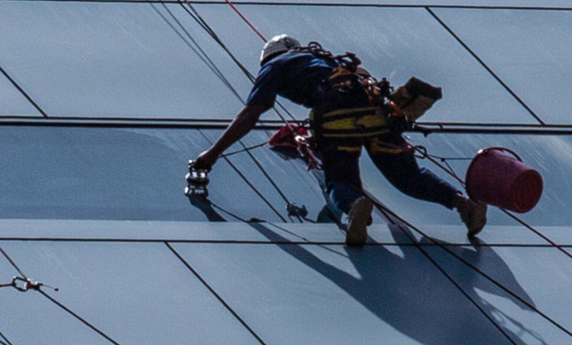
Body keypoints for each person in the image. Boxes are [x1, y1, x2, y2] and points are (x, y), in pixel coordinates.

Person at [191, 34, 487, 246]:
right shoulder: (329, 60)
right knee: (407, 177)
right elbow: (368, 80)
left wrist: (213, 154)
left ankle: (354, 207)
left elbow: (251, 114)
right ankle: (464, 205)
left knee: (338, 180)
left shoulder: (273, 66)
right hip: (375, 113)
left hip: (336, 118)